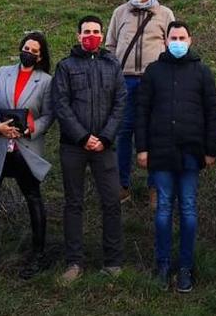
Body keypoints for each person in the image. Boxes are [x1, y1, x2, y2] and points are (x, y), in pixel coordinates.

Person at [135, 21, 216, 293]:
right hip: (159, 153)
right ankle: (162, 265)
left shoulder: (202, 72)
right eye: (174, 37)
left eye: (182, 37)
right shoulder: (153, 71)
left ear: (190, 40)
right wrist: (142, 148)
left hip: (192, 153)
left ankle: (185, 267)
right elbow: (142, 112)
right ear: (165, 41)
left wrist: (211, 150)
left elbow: (213, 113)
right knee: (162, 212)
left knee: (188, 210)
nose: (178, 41)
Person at [0, 31, 55, 280]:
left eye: (34, 51)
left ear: (40, 57)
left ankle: (38, 253)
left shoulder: (46, 81)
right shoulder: (2, 72)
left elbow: (49, 115)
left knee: (33, 197)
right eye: (26, 48)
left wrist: (31, 130)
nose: (28, 53)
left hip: (25, 148)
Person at [51, 15, 127, 283]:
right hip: (73, 147)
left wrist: (104, 137)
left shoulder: (112, 65)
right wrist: (83, 137)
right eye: (86, 32)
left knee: (111, 202)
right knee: (73, 204)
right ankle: (74, 262)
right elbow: (60, 104)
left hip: (105, 147)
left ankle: (113, 262)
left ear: (102, 34)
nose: (91, 35)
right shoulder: (65, 66)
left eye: (95, 31)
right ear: (78, 35)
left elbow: (120, 103)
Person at [107, 0, 175, 204]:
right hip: (124, 80)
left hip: (153, 81)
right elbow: (110, 46)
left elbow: (171, 45)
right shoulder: (119, 13)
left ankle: (154, 186)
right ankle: (121, 185)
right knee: (124, 132)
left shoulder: (165, 14)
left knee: (154, 132)